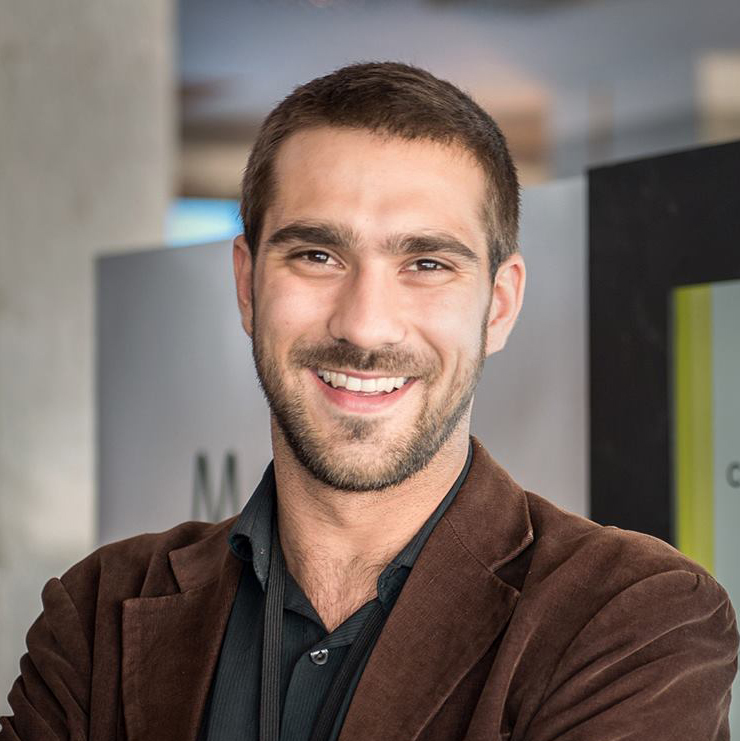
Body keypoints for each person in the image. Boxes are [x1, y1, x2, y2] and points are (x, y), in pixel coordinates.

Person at [1, 62, 737, 741]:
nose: (364, 325)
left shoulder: (630, 617)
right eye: (318, 255)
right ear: (248, 285)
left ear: (499, 305)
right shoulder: (99, 609)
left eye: (425, 262)